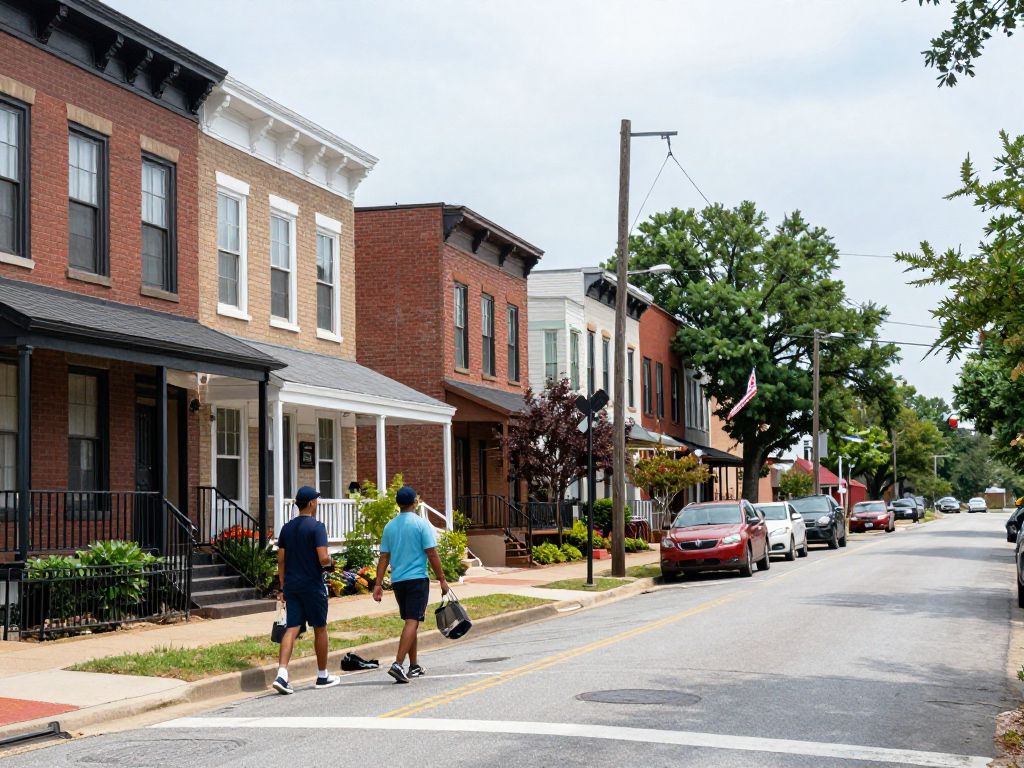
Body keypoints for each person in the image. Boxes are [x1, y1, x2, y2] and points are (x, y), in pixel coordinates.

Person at [373, 485, 449, 683]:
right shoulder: (421, 524)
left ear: (398, 504)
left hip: (399, 581)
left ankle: (413, 665)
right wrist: (442, 578)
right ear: (415, 503)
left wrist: (378, 584)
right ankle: (398, 664)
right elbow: (431, 553)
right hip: (417, 580)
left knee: (410, 620)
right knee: (412, 621)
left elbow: (384, 557)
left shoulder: (390, 526)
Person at [272, 486, 340, 694]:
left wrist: (282, 586)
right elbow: (323, 558)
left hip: (291, 586)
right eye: (317, 501)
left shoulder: (286, 528)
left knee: (292, 627)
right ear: (311, 503)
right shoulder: (317, 527)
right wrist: (331, 563)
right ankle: (322, 675)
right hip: (312, 585)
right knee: (320, 628)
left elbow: (281, 560)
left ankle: (282, 674)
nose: (317, 504)